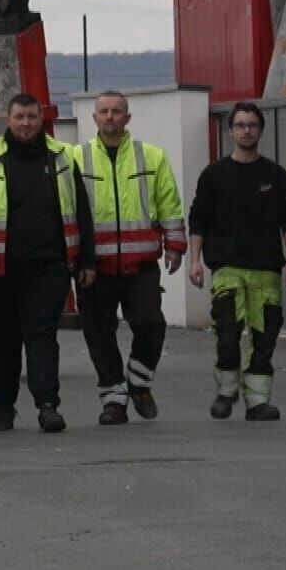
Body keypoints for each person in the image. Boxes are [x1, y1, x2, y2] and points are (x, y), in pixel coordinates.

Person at [0, 94, 96, 432]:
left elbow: (82, 211)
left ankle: (47, 405)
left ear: (41, 118)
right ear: (8, 118)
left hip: (49, 268)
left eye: (32, 117)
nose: (25, 123)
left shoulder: (62, 157)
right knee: (4, 341)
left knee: (42, 336)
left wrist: (86, 260)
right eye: (19, 117)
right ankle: (3, 407)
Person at [76, 91, 187, 424]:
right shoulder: (76, 159)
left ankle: (139, 382)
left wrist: (175, 245)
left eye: (117, 111)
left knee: (151, 323)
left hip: (141, 265)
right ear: (94, 118)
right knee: (99, 334)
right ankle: (114, 401)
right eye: (104, 111)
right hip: (94, 266)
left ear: (128, 118)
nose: (110, 117)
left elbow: (169, 201)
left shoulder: (151, 156)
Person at [187, 102, 286, 421]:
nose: (247, 131)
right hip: (227, 269)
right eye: (241, 125)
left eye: (253, 125)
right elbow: (198, 220)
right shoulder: (214, 175)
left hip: (266, 271)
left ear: (261, 130)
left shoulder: (275, 175)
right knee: (229, 333)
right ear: (230, 130)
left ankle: (258, 401)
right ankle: (226, 390)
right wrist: (194, 261)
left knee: (264, 337)